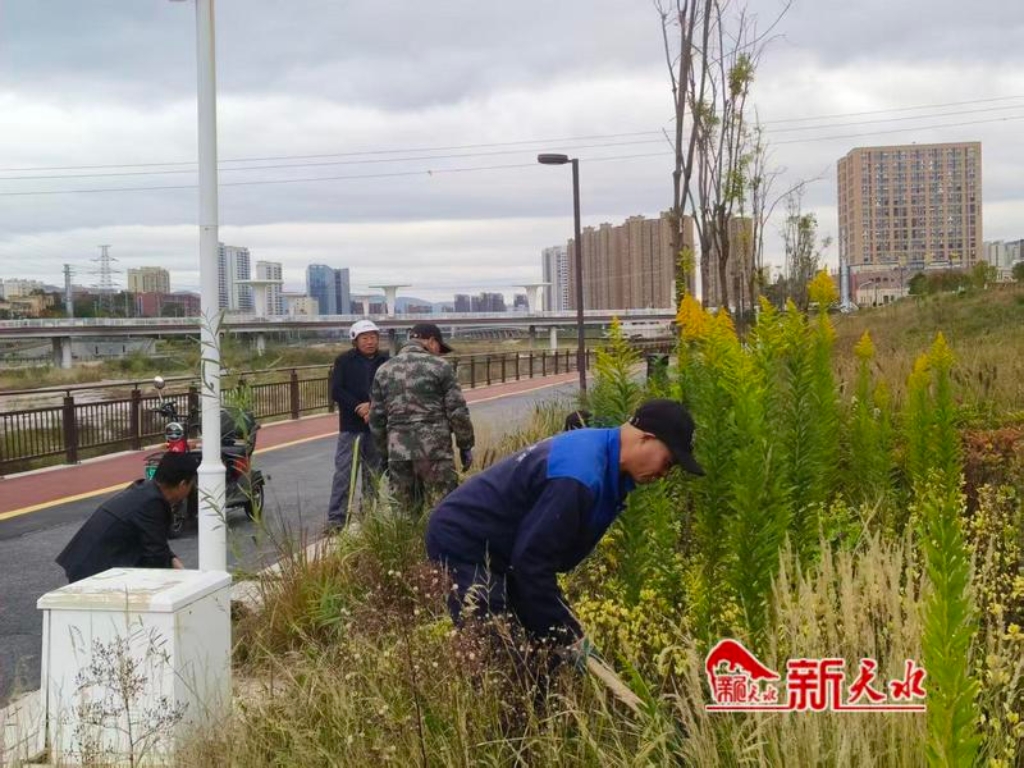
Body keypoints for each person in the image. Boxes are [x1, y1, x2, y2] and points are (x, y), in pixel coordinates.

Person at [425, 398, 704, 663]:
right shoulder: (579, 475)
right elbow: (532, 564)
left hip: (506, 549)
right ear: (646, 438)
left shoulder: (603, 458)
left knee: (542, 642)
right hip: (465, 542)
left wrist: (563, 631)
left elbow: (533, 561)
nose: (664, 474)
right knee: (501, 654)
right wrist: (571, 636)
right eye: (668, 462)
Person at [369, 323, 475, 511]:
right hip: (435, 452)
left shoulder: (384, 370)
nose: (439, 353)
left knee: (404, 512)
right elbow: (457, 411)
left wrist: (385, 454)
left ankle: (408, 532)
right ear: (432, 341)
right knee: (442, 509)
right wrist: (465, 445)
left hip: (398, 452)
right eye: (439, 348)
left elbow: (377, 418)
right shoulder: (440, 367)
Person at [55, 452, 198, 583]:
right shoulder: (152, 503)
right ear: (182, 484)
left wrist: (175, 563)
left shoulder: (146, 489)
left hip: (87, 561)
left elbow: (155, 544)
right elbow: (156, 558)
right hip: (94, 571)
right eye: (192, 484)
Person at [326, 319, 390, 530]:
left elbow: (392, 389)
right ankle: (336, 519)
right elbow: (337, 391)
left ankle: (369, 515)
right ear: (355, 340)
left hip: (377, 426)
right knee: (344, 473)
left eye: (373, 337)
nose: (370, 342)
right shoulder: (344, 361)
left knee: (373, 473)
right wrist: (358, 407)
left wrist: (372, 406)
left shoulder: (386, 360)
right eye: (365, 338)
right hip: (351, 426)